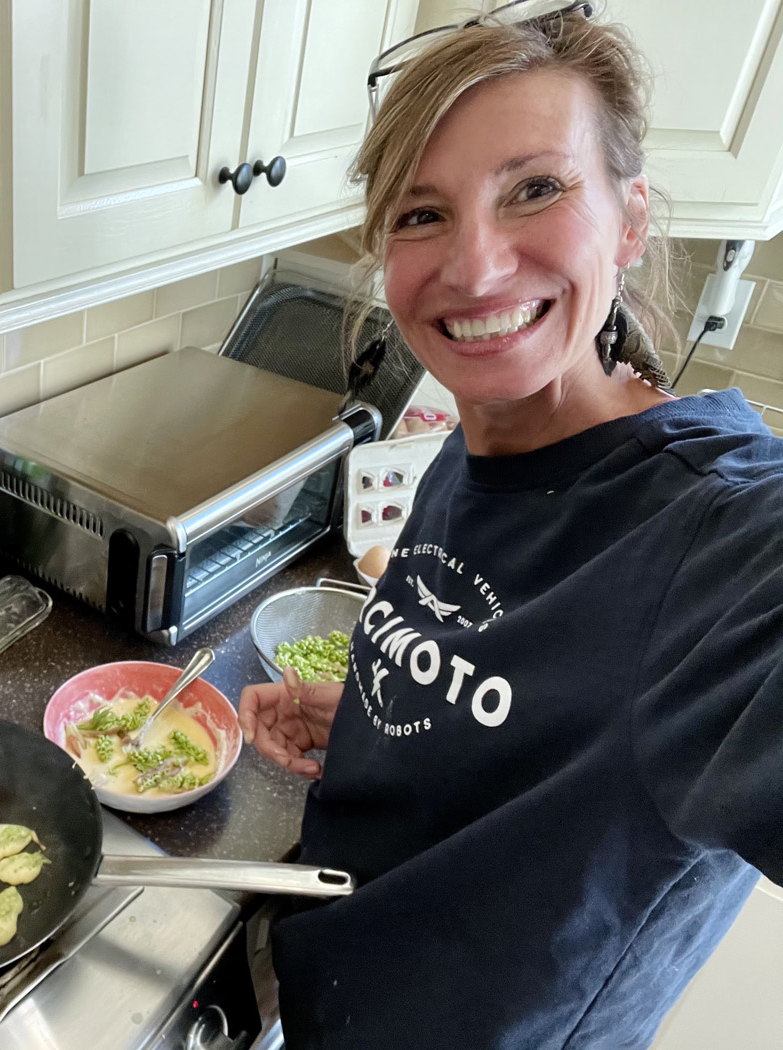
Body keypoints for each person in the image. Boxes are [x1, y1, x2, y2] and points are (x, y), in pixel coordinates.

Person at [237, 3, 783, 1048]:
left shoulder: (723, 541)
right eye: (419, 213)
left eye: (534, 189)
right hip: (326, 996)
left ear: (628, 220)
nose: (475, 268)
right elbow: (528, 694)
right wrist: (376, 710)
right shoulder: (479, 431)